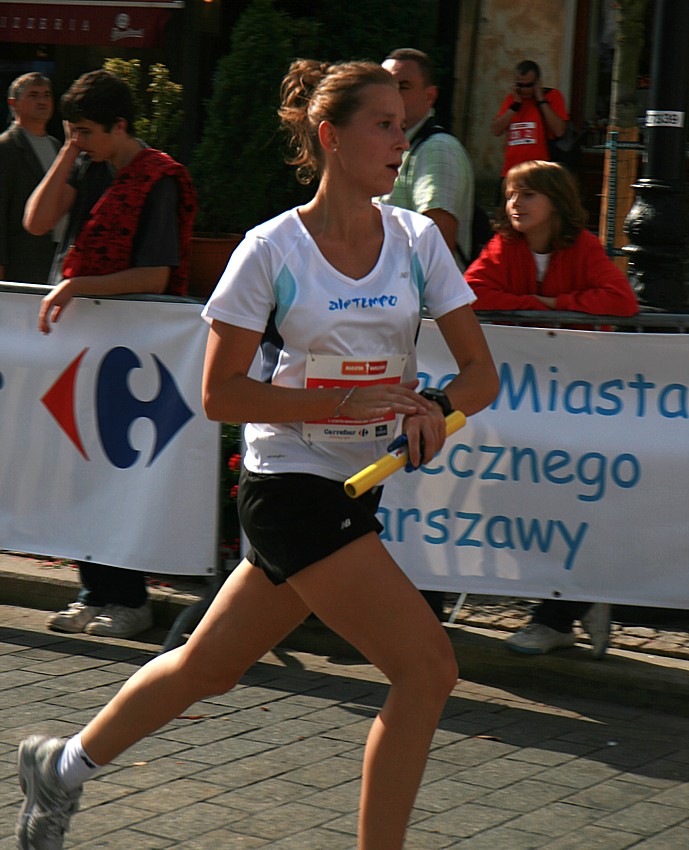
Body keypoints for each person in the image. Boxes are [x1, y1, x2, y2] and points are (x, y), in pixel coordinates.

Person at [15, 59, 499, 850]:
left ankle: (61, 766)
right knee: (427, 670)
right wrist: (341, 404)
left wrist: (437, 412)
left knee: (207, 667)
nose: (399, 140)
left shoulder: (416, 242)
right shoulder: (270, 249)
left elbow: (481, 374)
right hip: (291, 490)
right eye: (382, 124)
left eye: (401, 124)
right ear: (329, 137)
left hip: (357, 486)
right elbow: (221, 395)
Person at [23, 69, 197, 639]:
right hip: (85, 342)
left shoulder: (158, 178)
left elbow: (156, 274)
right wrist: (67, 152)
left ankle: (130, 599)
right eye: (71, 132)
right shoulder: (87, 163)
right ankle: (93, 591)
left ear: (121, 126)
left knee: (119, 472)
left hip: (136, 349)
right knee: (80, 469)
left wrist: (79, 286)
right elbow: (37, 221)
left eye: (86, 132)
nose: (78, 142)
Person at [465, 159, 638, 658]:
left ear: (556, 202)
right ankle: (570, 602)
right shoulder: (504, 246)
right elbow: (471, 293)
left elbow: (621, 301)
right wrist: (543, 308)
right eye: (511, 194)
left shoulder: (583, 247)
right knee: (509, 499)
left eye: (528, 194)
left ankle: (560, 614)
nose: (515, 204)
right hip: (520, 400)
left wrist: (544, 304)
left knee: (567, 502)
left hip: (576, 400)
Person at [380, 47, 475, 267]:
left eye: (403, 87)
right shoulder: (398, 148)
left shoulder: (437, 149)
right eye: (385, 86)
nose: (391, 95)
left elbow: (435, 249)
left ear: (430, 95)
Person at [0, 72, 61, 284]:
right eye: (34, 95)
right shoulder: (5, 148)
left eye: (46, 95)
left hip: (56, 260)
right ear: (13, 103)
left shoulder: (57, 146)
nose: (42, 101)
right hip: (21, 264)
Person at [491, 60, 568, 182]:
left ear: (537, 83)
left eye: (529, 85)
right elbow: (496, 130)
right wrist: (515, 106)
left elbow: (559, 131)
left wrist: (541, 100)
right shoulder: (511, 99)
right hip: (511, 171)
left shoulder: (552, 96)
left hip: (539, 171)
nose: (524, 90)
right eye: (520, 85)